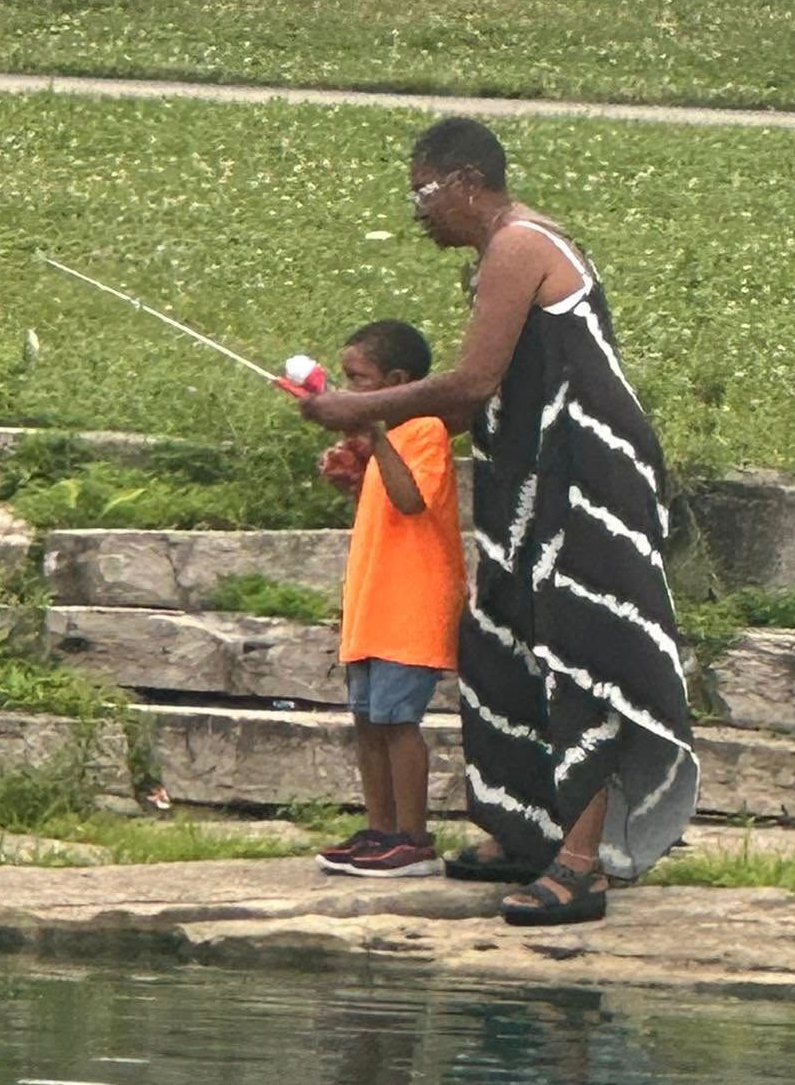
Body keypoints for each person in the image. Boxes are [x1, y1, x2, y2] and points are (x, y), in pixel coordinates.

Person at [296, 119, 697, 926]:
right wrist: (376, 447)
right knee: (500, 640)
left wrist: (360, 407)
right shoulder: (496, 257)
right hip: (529, 484)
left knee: (576, 657)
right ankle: (524, 827)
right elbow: (495, 402)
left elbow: (473, 381)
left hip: (585, 484)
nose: (418, 211)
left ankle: (581, 868)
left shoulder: (519, 246)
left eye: (424, 191)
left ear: (468, 181)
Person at [312, 320, 467, 879]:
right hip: (373, 602)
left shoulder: (423, 429)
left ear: (396, 382)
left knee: (399, 722)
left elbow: (410, 503)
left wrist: (376, 438)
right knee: (366, 721)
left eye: (359, 380)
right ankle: (380, 830)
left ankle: (413, 838)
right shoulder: (388, 442)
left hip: (412, 604)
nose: (350, 391)